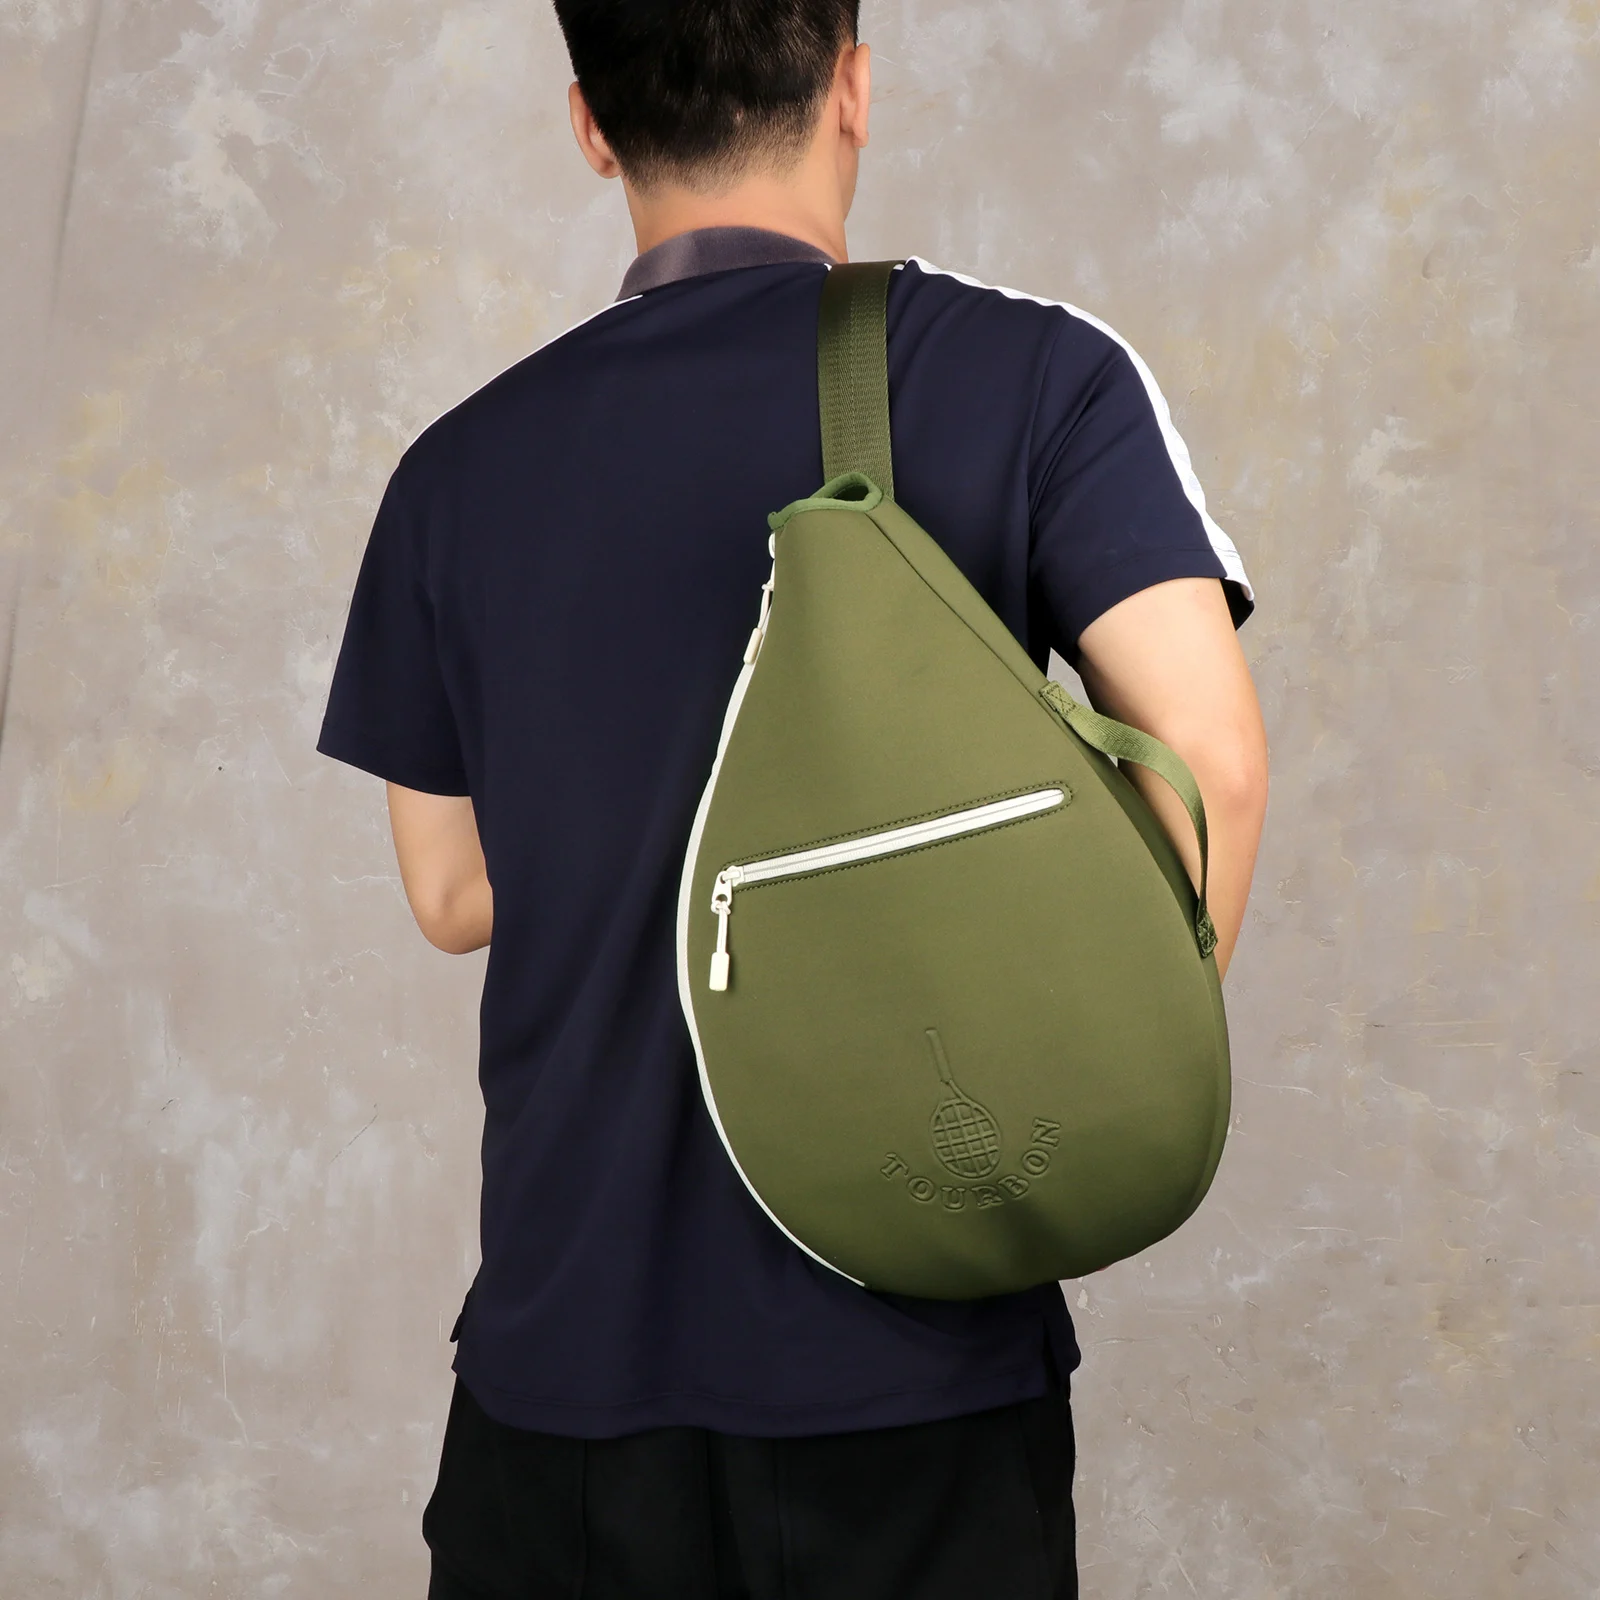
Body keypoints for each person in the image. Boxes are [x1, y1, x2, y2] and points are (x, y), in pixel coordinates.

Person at [317, 2, 1270, 1594]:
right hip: (910, 1368)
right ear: (853, 87)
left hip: (564, 1377)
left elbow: (453, 890)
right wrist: (1078, 1080)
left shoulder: (454, 469)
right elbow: (1213, 763)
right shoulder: (1033, 374)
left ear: (590, 126)